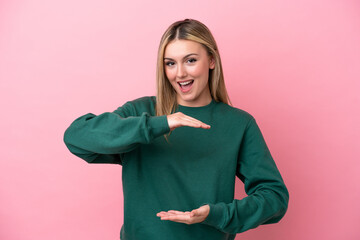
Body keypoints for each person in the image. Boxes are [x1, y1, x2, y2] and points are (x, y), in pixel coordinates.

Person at [63, 19, 289, 240]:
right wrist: (159, 124)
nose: (179, 73)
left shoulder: (239, 124)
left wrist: (218, 214)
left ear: (211, 61)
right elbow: (76, 137)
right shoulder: (142, 112)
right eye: (170, 63)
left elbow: (275, 198)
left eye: (190, 60)